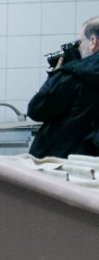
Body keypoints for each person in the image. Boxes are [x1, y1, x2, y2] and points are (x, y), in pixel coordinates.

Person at [26, 17, 99, 159]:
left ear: (93, 42)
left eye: (79, 42)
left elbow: (37, 110)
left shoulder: (74, 73)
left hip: (64, 161)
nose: (78, 48)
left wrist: (56, 75)